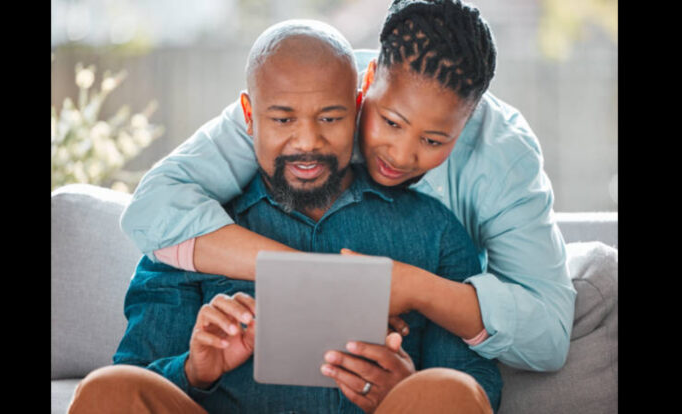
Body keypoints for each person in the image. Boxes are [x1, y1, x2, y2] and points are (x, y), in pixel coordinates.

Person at [68, 21, 501, 414]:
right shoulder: (192, 234)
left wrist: (405, 387)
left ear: (357, 108)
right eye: (283, 119)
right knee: (110, 390)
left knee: (450, 391)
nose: (307, 142)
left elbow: (475, 387)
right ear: (251, 117)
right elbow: (136, 373)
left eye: (330, 118)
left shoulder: (435, 231)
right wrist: (195, 369)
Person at [120, 0, 576, 372]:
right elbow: (154, 206)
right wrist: (326, 282)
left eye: (434, 140)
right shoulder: (314, 90)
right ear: (368, 82)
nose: (399, 155)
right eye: (390, 121)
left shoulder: (505, 157)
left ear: (469, 120)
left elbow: (549, 338)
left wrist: (412, 287)